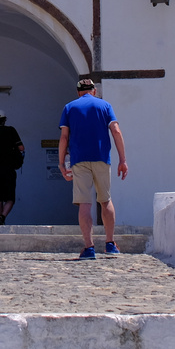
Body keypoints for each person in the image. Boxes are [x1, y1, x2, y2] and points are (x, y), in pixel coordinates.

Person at [58, 76, 128, 259]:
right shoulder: (105, 106)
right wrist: (123, 159)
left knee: (84, 203)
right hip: (102, 158)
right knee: (105, 200)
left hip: (79, 160)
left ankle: (89, 248)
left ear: (78, 92)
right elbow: (116, 131)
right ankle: (110, 244)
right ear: (94, 91)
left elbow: (64, 138)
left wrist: (60, 163)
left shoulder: (69, 107)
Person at [0, 110, 25, 224]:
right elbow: (21, 148)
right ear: (4, 120)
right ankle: (2, 217)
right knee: (10, 198)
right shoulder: (10, 131)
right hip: (8, 169)